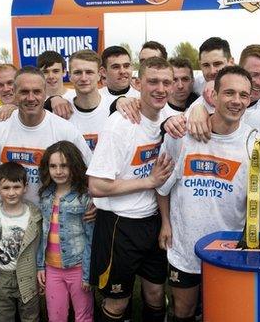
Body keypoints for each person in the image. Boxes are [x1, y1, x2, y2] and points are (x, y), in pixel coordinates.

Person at [156, 65, 254, 322]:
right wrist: (166, 222)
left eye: (243, 95)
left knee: (222, 313)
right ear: (214, 95)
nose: (236, 101)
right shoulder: (182, 135)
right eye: (229, 93)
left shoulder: (255, 142)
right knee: (183, 311)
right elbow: (163, 184)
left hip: (229, 247)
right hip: (185, 243)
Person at [86, 56, 174, 322]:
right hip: (119, 226)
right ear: (137, 83)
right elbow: (96, 186)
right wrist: (148, 181)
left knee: (156, 294)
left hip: (152, 222)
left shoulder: (170, 116)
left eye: (166, 82)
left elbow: (199, 111)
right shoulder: (119, 125)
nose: (160, 88)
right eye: (153, 81)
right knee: (117, 303)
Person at [0, 66, 91, 245]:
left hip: (55, 222)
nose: (31, 98)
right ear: (14, 93)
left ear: (45, 93)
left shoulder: (65, 130)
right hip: (9, 221)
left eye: (36, 92)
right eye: (24, 92)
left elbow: (88, 171)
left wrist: (94, 201)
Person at [0, 162, 42, 322]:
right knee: (1, 317)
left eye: (16, 187)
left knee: (30, 317)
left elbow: (40, 248)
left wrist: (42, 271)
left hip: (28, 276)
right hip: (0, 278)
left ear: (25, 187)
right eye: (6, 188)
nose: (11, 193)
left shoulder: (35, 216)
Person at [36, 141, 94, 322]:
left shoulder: (84, 197)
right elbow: (43, 233)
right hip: (52, 268)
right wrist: (40, 266)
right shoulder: (45, 195)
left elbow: (90, 237)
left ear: (74, 166)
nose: (58, 171)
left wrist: (87, 273)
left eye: (64, 165)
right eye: (53, 166)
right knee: (56, 316)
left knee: (83, 315)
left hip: (78, 267)